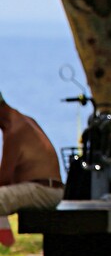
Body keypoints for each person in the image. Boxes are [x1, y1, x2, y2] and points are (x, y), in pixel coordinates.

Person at [0, 92, 63, 247]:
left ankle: (3, 230)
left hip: (43, 190)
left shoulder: (15, 130)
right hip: (47, 188)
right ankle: (3, 227)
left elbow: (4, 179)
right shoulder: (23, 120)